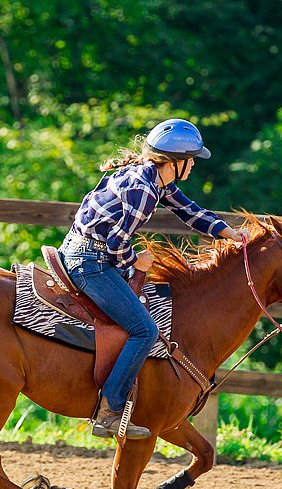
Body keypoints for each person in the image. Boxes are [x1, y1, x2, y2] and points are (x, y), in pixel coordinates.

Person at [59, 118, 247, 440]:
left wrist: (228, 233)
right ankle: (110, 409)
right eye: (192, 160)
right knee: (145, 330)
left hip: (90, 253)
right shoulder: (143, 190)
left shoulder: (153, 179)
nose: (193, 166)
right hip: (90, 261)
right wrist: (137, 260)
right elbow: (118, 242)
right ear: (176, 162)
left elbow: (189, 211)